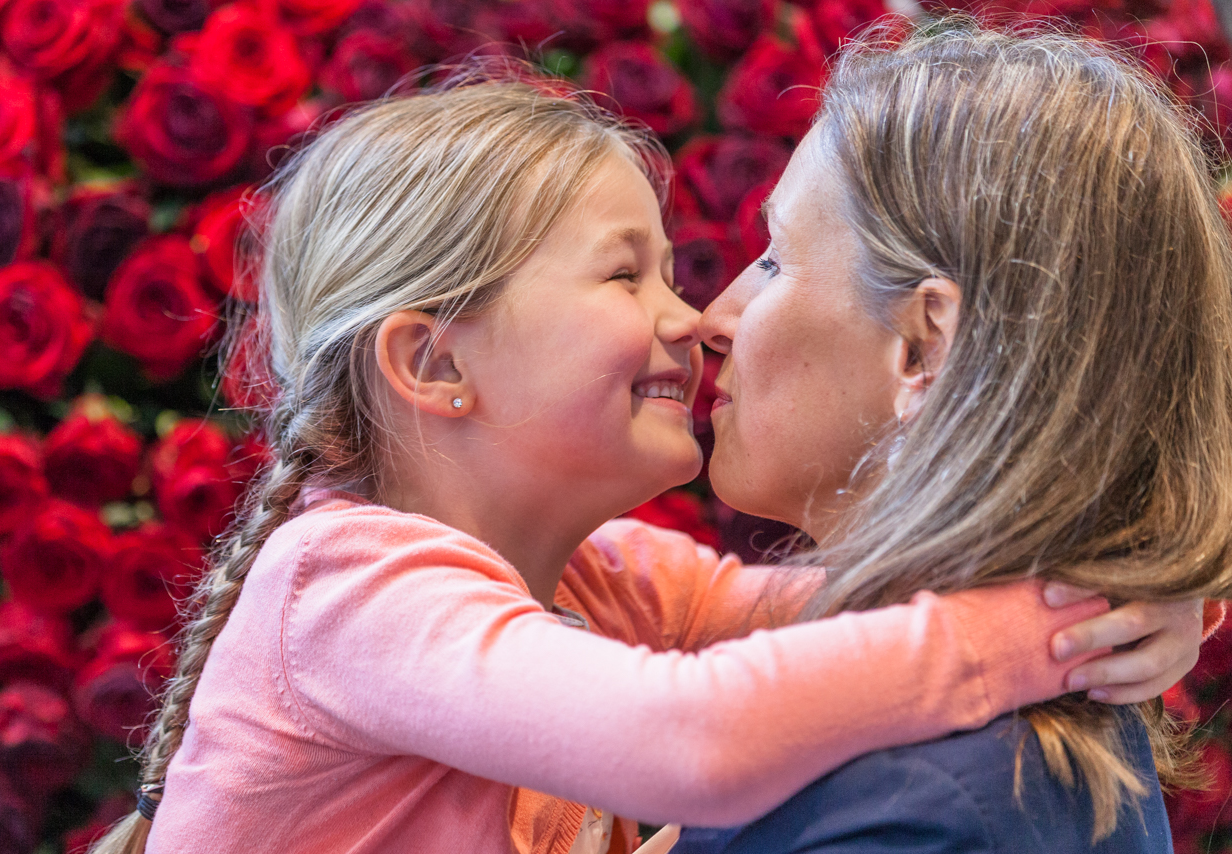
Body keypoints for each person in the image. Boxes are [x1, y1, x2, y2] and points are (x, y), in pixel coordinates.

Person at [90, 71, 1207, 854]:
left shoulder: (605, 573)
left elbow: (817, 613)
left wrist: (1116, 596)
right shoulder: (344, 585)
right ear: (432, 360)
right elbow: (696, 734)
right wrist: (1039, 630)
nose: (696, 317)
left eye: (752, 264)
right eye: (627, 277)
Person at [676, 23, 1232, 854]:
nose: (711, 320)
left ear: (922, 351)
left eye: (776, 261)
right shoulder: (958, 733)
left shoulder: (912, 809)